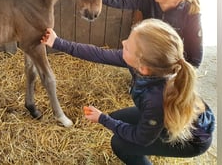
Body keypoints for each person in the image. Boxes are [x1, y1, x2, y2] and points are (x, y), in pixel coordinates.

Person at [40, 18, 215, 165]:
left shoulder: (155, 99)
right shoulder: (152, 66)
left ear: (143, 68)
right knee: (118, 119)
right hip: (167, 118)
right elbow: (97, 54)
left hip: (190, 141)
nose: (123, 43)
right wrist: (57, 42)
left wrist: (103, 119)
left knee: (120, 143)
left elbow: (142, 138)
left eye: (128, 46)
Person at [102, 0, 202, 68]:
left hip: (169, 68)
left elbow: (195, 60)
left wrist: (176, 80)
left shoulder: (191, 15)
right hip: (146, 62)